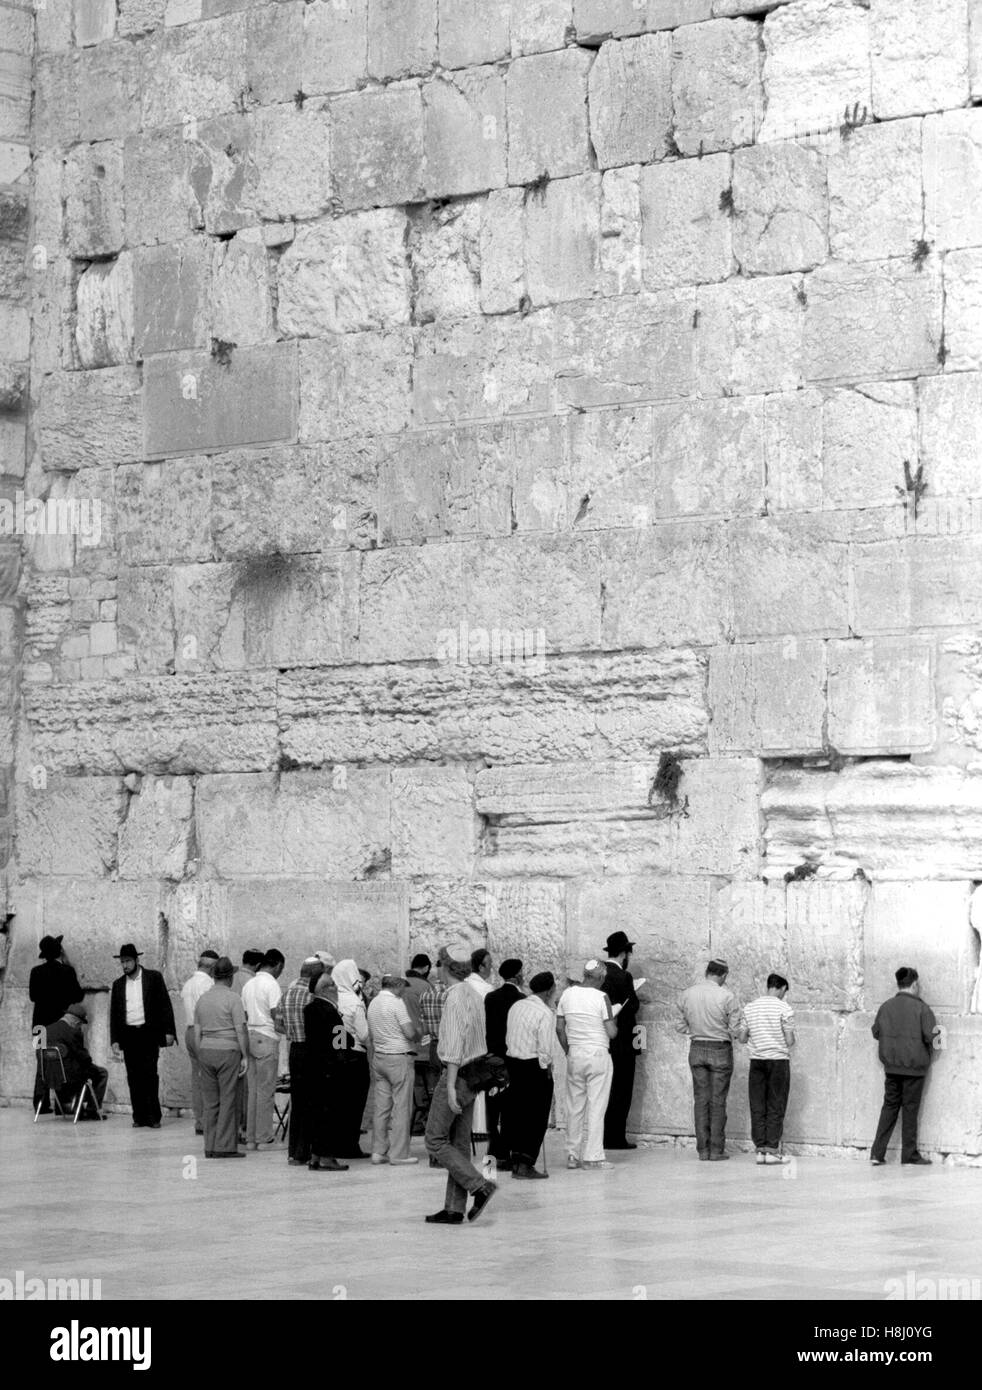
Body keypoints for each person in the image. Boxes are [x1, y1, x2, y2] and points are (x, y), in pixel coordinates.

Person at [424, 951, 498, 1225]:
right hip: (475, 1075)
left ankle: (479, 1185)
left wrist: (452, 1087)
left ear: (446, 967)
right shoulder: (474, 994)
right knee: (458, 1142)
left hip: (457, 1075)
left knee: (434, 1139)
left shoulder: (455, 997)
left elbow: (454, 1046)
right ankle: (454, 1208)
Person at [870, 966, 937, 1167]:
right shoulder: (922, 1009)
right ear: (915, 984)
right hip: (914, 1069)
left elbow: (875, 1032)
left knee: (889, 1108)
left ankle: (876, 1153)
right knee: (910, 1110)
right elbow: (932, 1037)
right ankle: (909, 1155)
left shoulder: (886, 1006)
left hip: (891, 1068)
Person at [677, 958, 743, 1161]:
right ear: (723, 975)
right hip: (720, 1049)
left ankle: (702, 1150)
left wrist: (697, 1029)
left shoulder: (687, 994)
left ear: (708, 972)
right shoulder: (727, 996)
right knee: (718, 1101)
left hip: (696, 1048)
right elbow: (735, 1030)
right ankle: (716, 1150)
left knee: (701, 1100)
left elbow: (680, 1026)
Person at [557, 961, 617, 1170]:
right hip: (598, 1054)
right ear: (600, 978)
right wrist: (614, 1018)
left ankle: (572, 1155)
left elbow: (559, 1028)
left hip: (575, 1054)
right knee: (597, 1106)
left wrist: (568, 1050)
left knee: (574, 1107)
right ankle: (593, 1156)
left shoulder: (567, 994)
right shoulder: (602, 997)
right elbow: (611, 1032)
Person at [109, 943, 176, 1129]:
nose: (125, 966)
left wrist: (169, 1031)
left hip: (148, 1033)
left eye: (128, 961)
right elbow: (114, 1014)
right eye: (122, 962)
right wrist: (114, 1040)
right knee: (133, 1077)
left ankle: (154, 1116)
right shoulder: (118, 985)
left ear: (137, 960)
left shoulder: (153, 978)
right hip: (129, 1035)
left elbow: (165, 1005)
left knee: (149, 1075)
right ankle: (139, 1116)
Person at [194, 956, 250, 1159]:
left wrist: (201, 1055)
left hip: (206, 1050)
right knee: (228, 1099)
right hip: (228, 1051)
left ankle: (209, 1145)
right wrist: (245, 1055)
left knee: (210, 1102)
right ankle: (225, 1146)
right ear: (230, 978)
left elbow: (197, 1031)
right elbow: (240, 1030)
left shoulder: (203, 999)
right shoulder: (233, 998)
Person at [739, 973, 795, 1165]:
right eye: (784, 992)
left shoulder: (750, 1007)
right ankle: (772, 1149)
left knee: (757, 1105)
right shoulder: (784, 1008)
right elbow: (789, 1040)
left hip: (757, 1061)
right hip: (778, 1061)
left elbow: (742, 1037)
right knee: (776, 1104)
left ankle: (760, 1150)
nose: (783, 995)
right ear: (781, 988)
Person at [505, 972, 557, 1179]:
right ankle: (526, 1163)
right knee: (536, 1116)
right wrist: (548, 1069)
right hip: (534, 1067)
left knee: (517, 1114)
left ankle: (516, 1159)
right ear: (548, 991)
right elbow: (545, 1047)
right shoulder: (545, 1012)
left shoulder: (517, 1005)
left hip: (513, 1065)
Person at [367, 974, 419, 1166]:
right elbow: (410, 1032)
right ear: (397, 986)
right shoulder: (397, 1004)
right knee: (401, 1107)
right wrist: (419, 1033)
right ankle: (399, 1154)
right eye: (402, 988)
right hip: (399, 1057)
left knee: (381, 1108)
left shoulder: (373, 1003)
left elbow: (370, 1032)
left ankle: (378, 1151)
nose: (404, 991)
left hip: (379, 1057)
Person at [29, 935, 83, 1114]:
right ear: (58, 951)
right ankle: (63, 1103)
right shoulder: (67, 972)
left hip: (39, 1026)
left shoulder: (35, 972)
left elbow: (33, 996)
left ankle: (40, 1102)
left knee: (42, 1061)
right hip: (60, 1025)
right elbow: (78, 996)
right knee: (63, 1061)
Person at [280, 957, 325, 1166]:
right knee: (314, 1101)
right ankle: (308, 1150)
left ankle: (295, 1152)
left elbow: (278, 1024)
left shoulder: (287, 993)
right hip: (312, 1050)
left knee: (298, 1101)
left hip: (295, 1049)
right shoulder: (313, 996)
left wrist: (292, 1031)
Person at [303, 973, 349, 1172]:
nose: (336, 989)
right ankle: (327, 1157)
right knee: (330, 1115)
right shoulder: (331, 1011)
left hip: (313, 1067)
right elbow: (340, 1041)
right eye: (333, 986)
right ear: (326, 989)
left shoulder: (309, 1009)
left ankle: (315, 1156)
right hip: (330, 1069)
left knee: (316, 1114)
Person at [602, 931, 642, 1150]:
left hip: (603, 1041)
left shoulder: (600, 973)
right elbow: (632, 1006)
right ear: (624, 953)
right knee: (622, 1089)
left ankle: (603, 1135)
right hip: (623, 1042)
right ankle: (615, 1137)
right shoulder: (623, 977)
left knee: (605, 1091)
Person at [241, 948, 284, 1150]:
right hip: (266, 1037)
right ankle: (264, 1138)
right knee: (265, 1091)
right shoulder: (272, 984)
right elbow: (276, 1016)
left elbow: (245, 1013)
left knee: (252, 1091)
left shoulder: (249, 984)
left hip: (250, 1035)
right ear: (277, 965)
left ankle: (251, 1138)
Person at [484, 959, 524, 1169]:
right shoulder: (521, 999)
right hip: (511, 1059)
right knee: (510, 1108)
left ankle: (492, 1153)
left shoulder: (490, 997)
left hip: (492, 1058)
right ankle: (506, 1153)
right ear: (518, 975)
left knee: (493, 1106)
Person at [333, 959, 371, 1159]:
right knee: (355, 1104)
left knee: (340, 1103)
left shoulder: (334, 998)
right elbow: (363, 1034)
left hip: (338, 1053)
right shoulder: (355, 1001)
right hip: (356, 1054)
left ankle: (337, 1143)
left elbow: (337, 1031)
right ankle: (350, 1145)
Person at [45, 1002, 108, 1120]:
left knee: (78, 1071)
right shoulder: (73, 1032)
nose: (79, 1027)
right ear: (76, 1021)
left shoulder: (47, 1030)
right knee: (102, 1073)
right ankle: (92, 1110)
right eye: (80, 1025)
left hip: (51, 1076)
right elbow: (85, 1059)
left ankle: (73, 1107)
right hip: (71, 1077)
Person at [180, 950, 219, 1136]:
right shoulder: (207, 983)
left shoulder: (188, 983)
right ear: (212, 967)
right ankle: (209, 1120)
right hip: (202, 1033)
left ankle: (200, 1120)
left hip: (189, 1032)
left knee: (197, 1078)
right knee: (210, 1079)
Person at [232, 948, 264, 1138]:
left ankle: (231, 1127)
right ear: (258, 965)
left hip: (226, 1038)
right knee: (246, 1087)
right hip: (243, 1035)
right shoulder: (252, 982)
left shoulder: (231, 977)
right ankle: (244, 1127)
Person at [404, 954, 435, 1131]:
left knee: (412, 1084)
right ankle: (423, 1122)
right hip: (425, 1043)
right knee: (429, 1085)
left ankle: (412, 1121)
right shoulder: (426, 987)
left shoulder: (401, 985)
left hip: (405, 1044)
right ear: (425, 968)